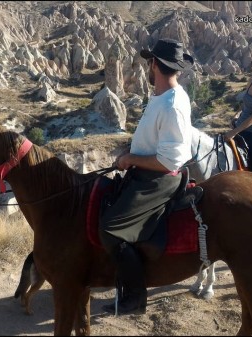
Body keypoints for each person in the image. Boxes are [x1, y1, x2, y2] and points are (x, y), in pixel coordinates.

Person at [98, 38, 194, 315]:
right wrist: (133, 152)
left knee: (110, 229)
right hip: (147, 170)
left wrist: (130, 159)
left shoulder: (171, 104)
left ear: (153, 65)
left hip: (159, 179)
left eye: (149, 62)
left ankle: (135, 298)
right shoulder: (163, 98)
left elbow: (169, 160)